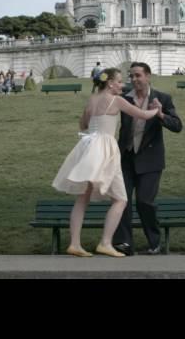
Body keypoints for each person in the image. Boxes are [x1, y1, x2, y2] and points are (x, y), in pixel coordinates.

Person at [52, 67, 159, 257]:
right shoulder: (116, 100)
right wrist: (156, 110)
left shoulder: (92, 99)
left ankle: (75, 244)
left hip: (88, 147)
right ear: (110, 83)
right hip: (105, 149)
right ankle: (105, 242)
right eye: (119, 81)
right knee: (121, 199)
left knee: (82, 198)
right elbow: (142, 115)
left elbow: (83, 124)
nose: (123, 84)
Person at [113, 62, 183, 256]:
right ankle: (124, 243)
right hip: (125, 158)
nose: (134, 79)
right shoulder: (124, 97)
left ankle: (154, 242)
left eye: (138, 75)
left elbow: (177, 126)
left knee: (145, 202)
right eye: (132, 76)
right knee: (122, 200)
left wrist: (160, 115)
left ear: (148, 76)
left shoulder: (162, 98)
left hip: (150, 160)